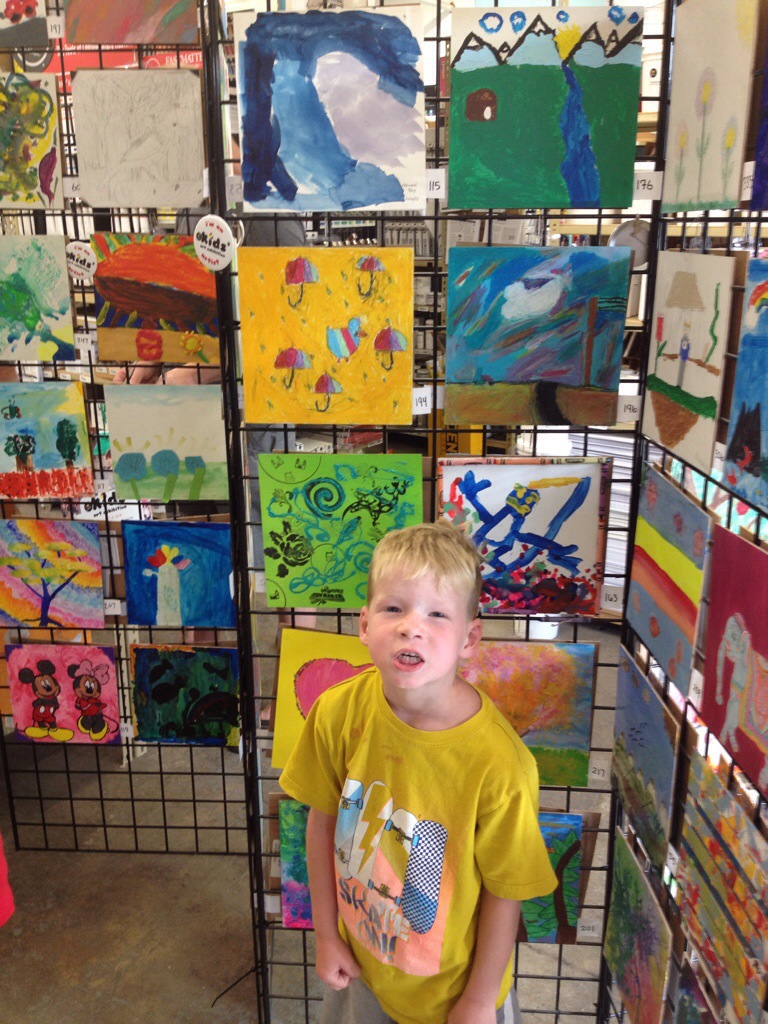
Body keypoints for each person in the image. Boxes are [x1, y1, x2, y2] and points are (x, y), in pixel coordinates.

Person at [279, 521, 557, 1024]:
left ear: (470, 638)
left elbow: (506, 891)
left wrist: (479, 1000)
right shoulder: (336, 713)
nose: (412, 626)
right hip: (361, 971)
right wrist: (326, 934)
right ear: (365, 625)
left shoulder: (500, 763)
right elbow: (321, 823)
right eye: (394, 608)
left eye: (437, 613)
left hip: (454, 998)